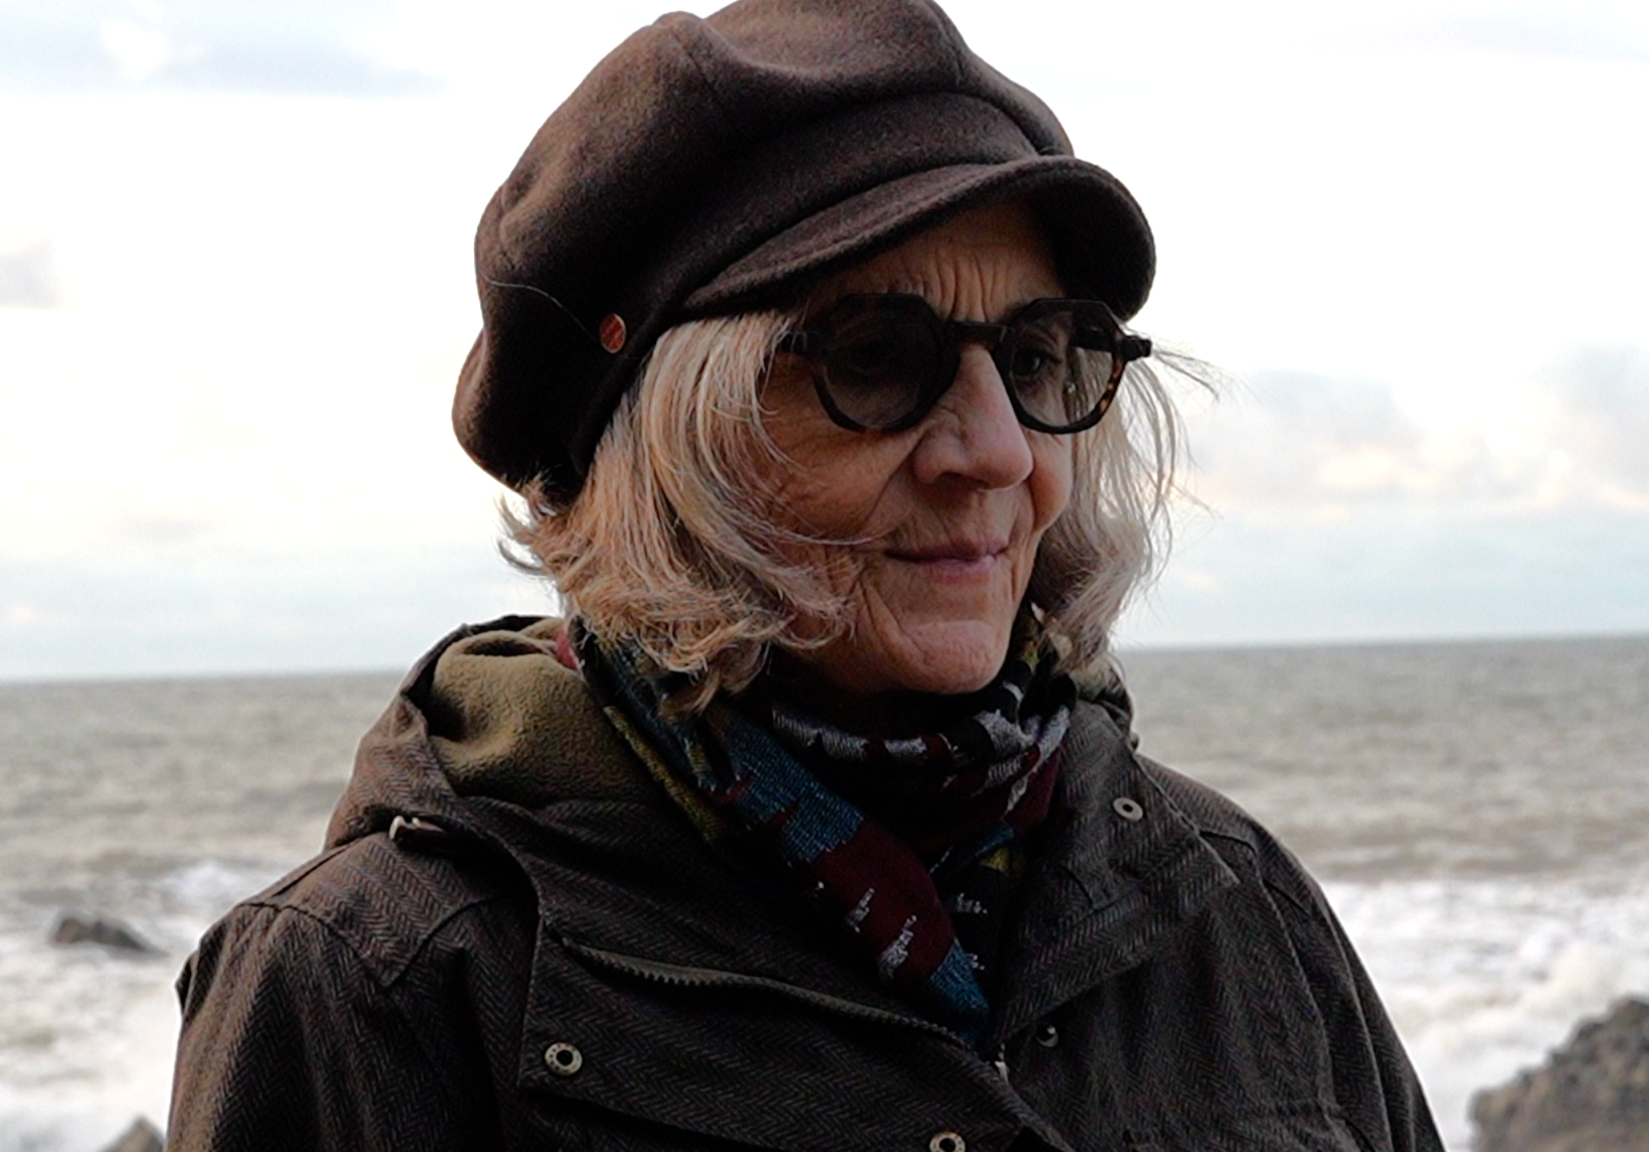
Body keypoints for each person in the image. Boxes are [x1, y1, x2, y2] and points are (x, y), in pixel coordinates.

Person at [167, 2, 1445, 1149]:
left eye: (1038, 354)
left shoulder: (1232, 906)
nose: (995, 450)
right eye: (878, 358)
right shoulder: (385, 985)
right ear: (668, 450)